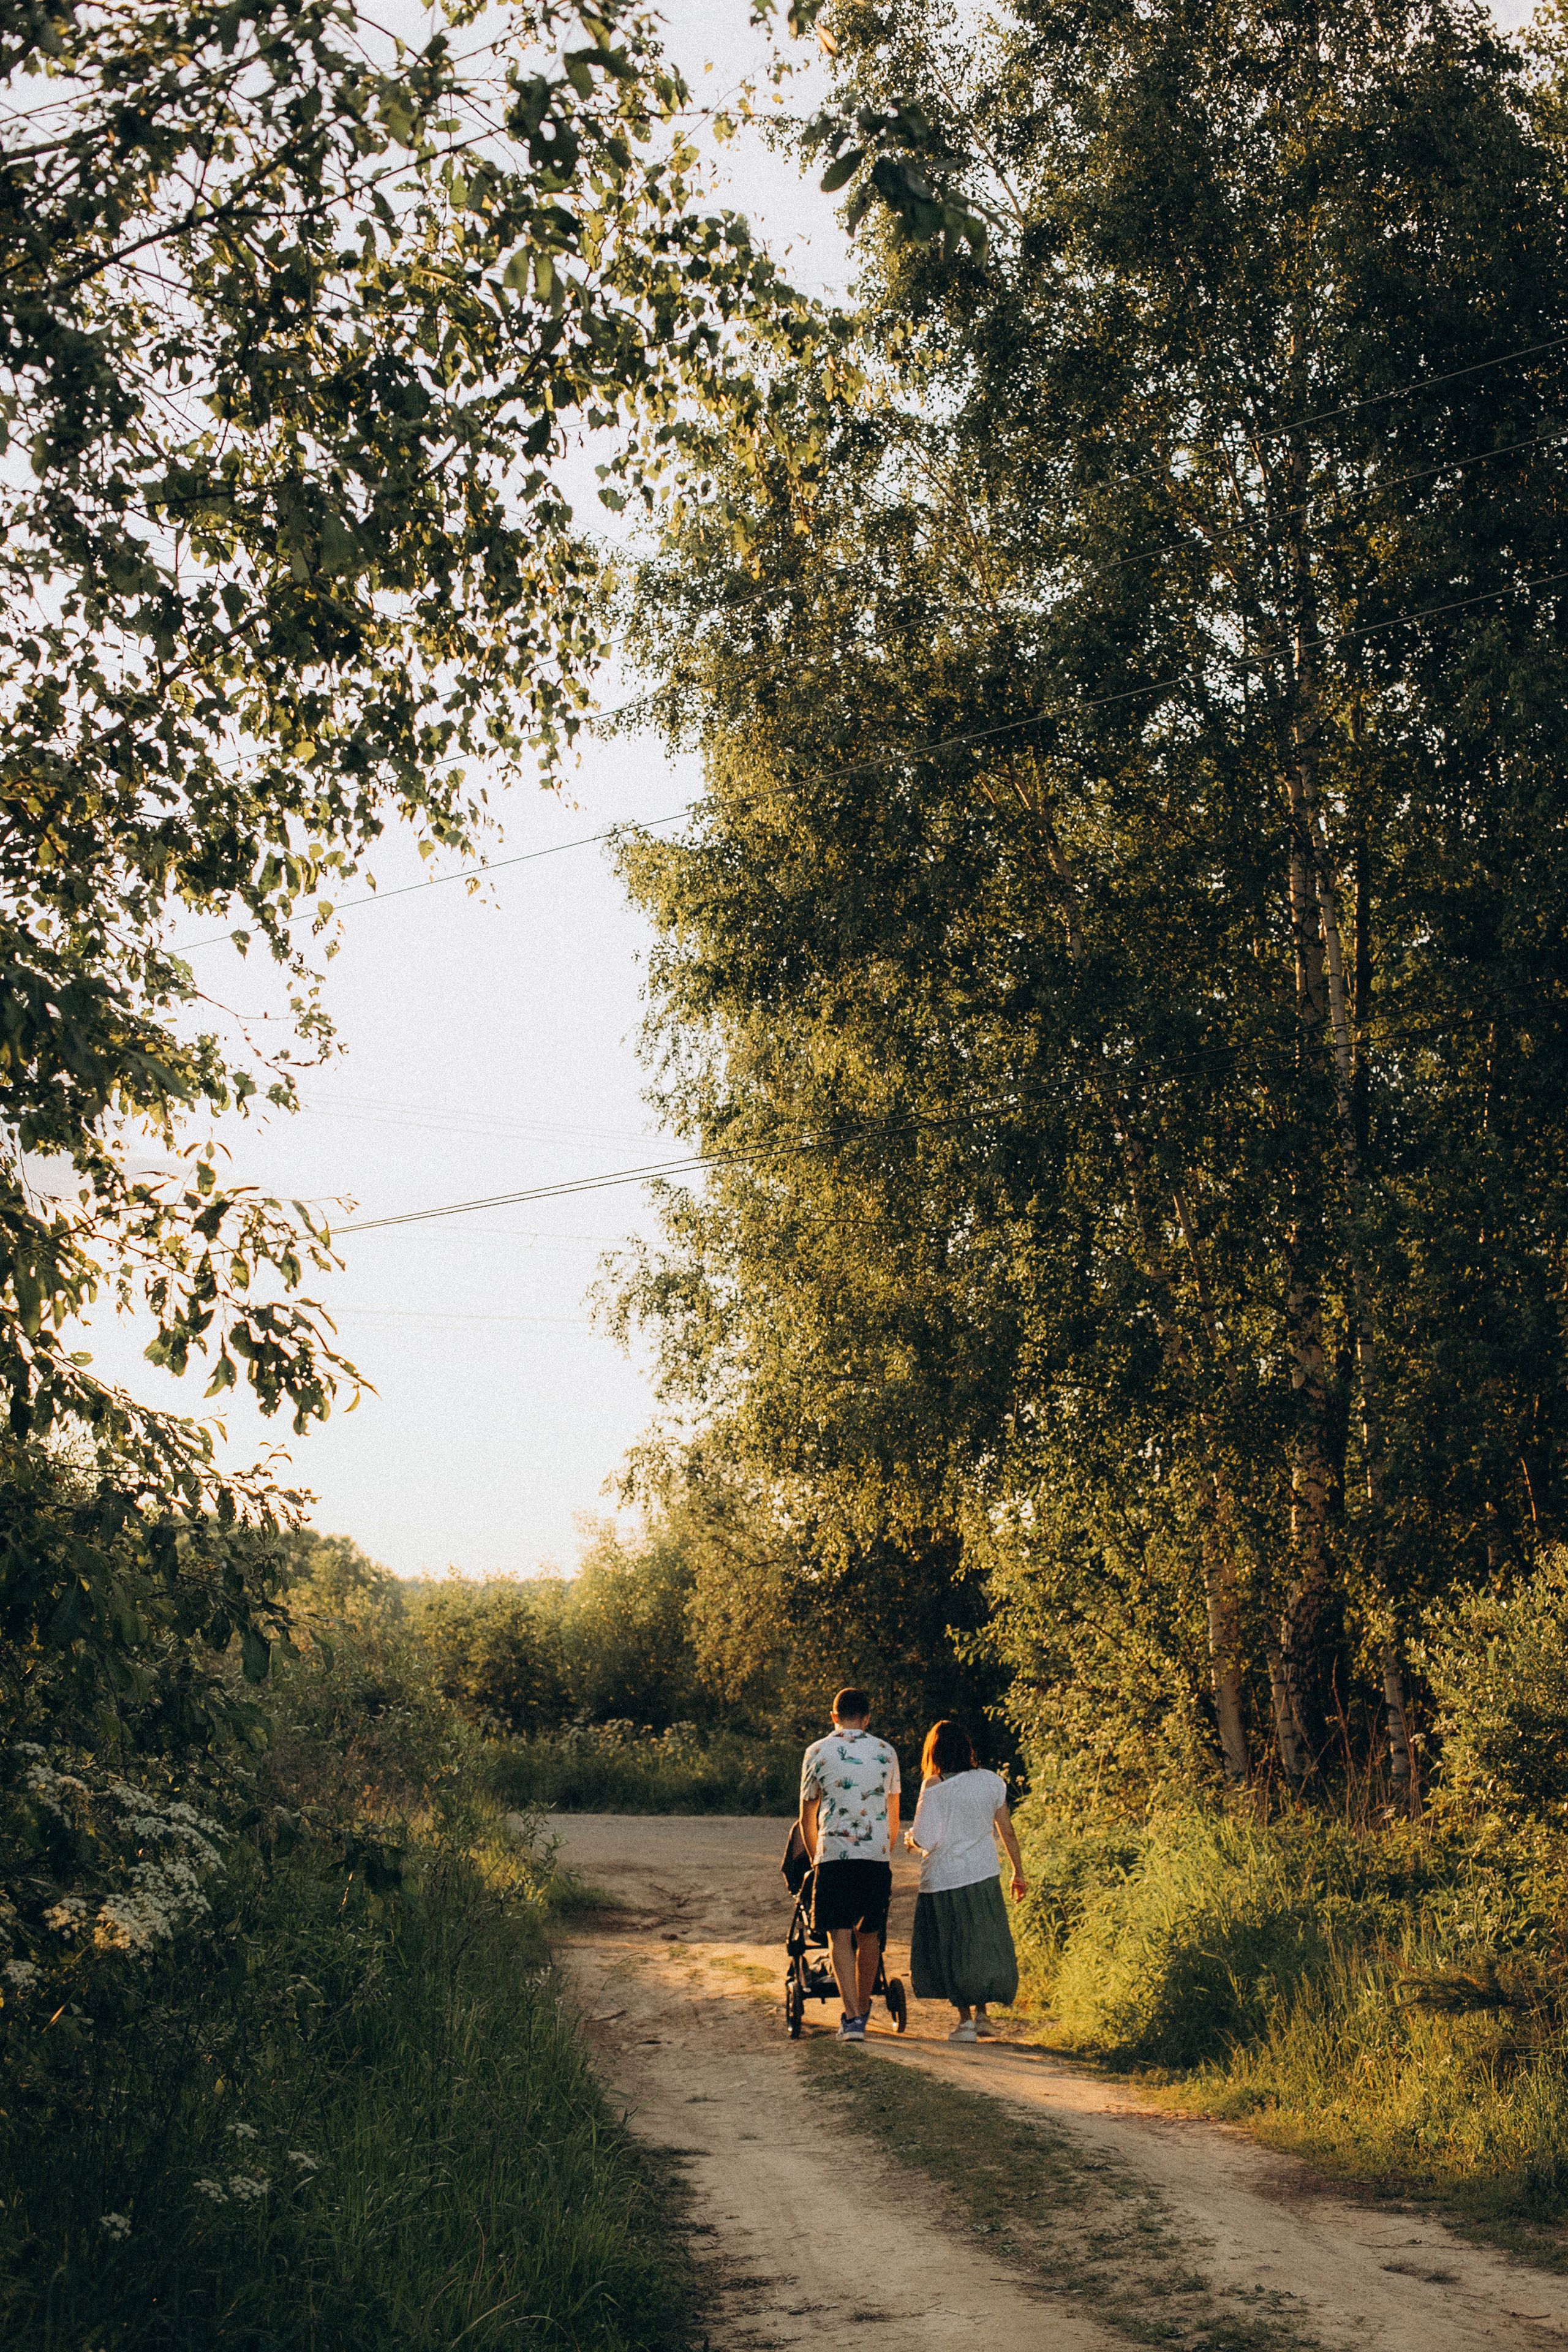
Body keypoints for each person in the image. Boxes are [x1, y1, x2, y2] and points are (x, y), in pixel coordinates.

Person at [905, 1717, 1025, 2043]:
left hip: (945, 1879)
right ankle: (985, 2015)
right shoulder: (991, 1782)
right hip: (984, 1874)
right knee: (982, 1943)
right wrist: (1018, 1871)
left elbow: (927, 1839)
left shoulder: (934, 1785)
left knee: (953, 1946)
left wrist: (911, 1840)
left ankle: (965, 2023)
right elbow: (1007, 1831)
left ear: (935, 1752)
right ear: (967, 1748)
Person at [798, 1686, 901, 2043]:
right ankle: (864, 2008)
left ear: (834, 1717)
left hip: (835, 1853)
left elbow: (807, 1814)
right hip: (874, 1856)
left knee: (838, 1934)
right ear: (868, 1717)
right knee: (870, 1933)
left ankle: (853, 2018)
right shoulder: (887, 1752)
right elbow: (892, 1812)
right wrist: (884, 1850)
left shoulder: (817, 1752)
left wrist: (816, 1856)